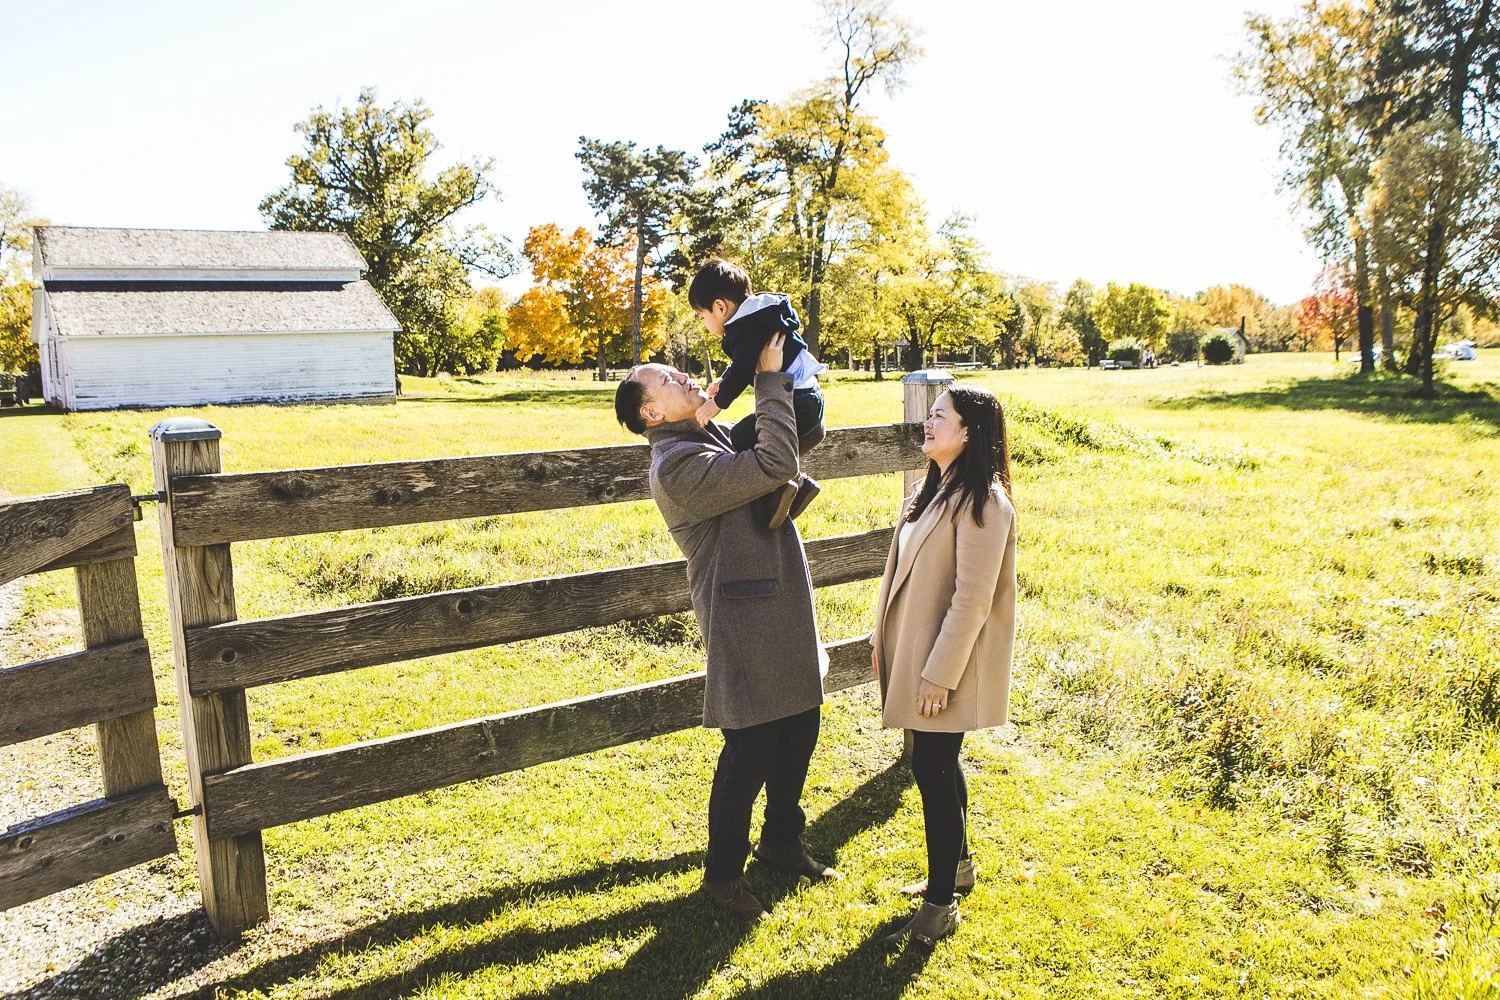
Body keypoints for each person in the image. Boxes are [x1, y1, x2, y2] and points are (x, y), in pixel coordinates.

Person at [613, 332, 838, 918]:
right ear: (651, 412)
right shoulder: (678, 466)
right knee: (750, 749)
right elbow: (774, 462)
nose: (683, 376)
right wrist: (766, 380)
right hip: (743, 619)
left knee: (799, 729)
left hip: (777, 601)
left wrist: (724, 405)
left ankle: (782, 842)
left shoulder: (698, 436)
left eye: (677, 370)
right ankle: (721, 880)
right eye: (667, 380)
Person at [870, 385, 1017, 945]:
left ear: (969, 432)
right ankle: (956, 868)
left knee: (932, 769)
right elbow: (907, 570)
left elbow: (972, 599)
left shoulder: (984, 501)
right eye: (929, 415)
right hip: (913, 650)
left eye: (939, 416)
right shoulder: (931, 488)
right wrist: (882, 635)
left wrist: (939, 674)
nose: (927, 424)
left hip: (944, 662)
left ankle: (939, 904)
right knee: (934, 764)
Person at [687, 258, 827, 529]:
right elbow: (745, 362)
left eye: (702, 317)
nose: (704, 323)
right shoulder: (757, 318)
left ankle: (785, 489)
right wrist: (724, 380)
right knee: (756, 437)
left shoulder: (743, 328)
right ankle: (790, 488)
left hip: (798, 401)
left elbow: (742, 368)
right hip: (809, 397)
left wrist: (717, 402)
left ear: (720, 307)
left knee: (741, 436)